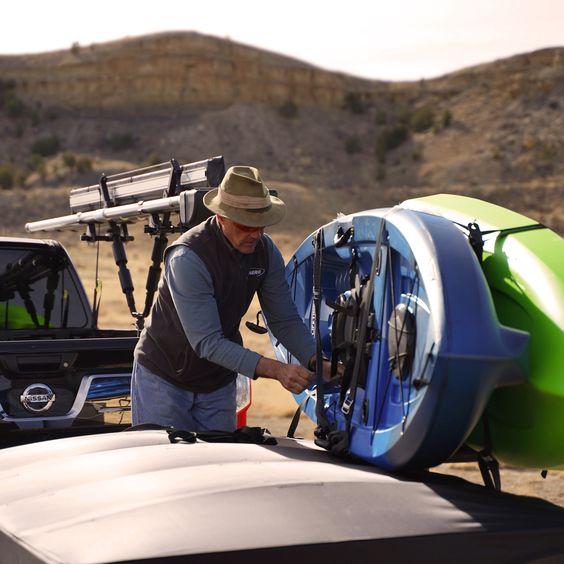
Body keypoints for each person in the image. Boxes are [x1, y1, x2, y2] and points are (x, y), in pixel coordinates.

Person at [131, 165, 330, 432]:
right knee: (165, 465)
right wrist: (278, 370)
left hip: (217, 382)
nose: (255, 234)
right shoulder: (188, 258)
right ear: (221, 217)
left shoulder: (266, 251)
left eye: (261, 225)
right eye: (245, 225)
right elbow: (207, 342)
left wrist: (316, 360)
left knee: (219, 466)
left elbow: (284, 320)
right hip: (164, 378)